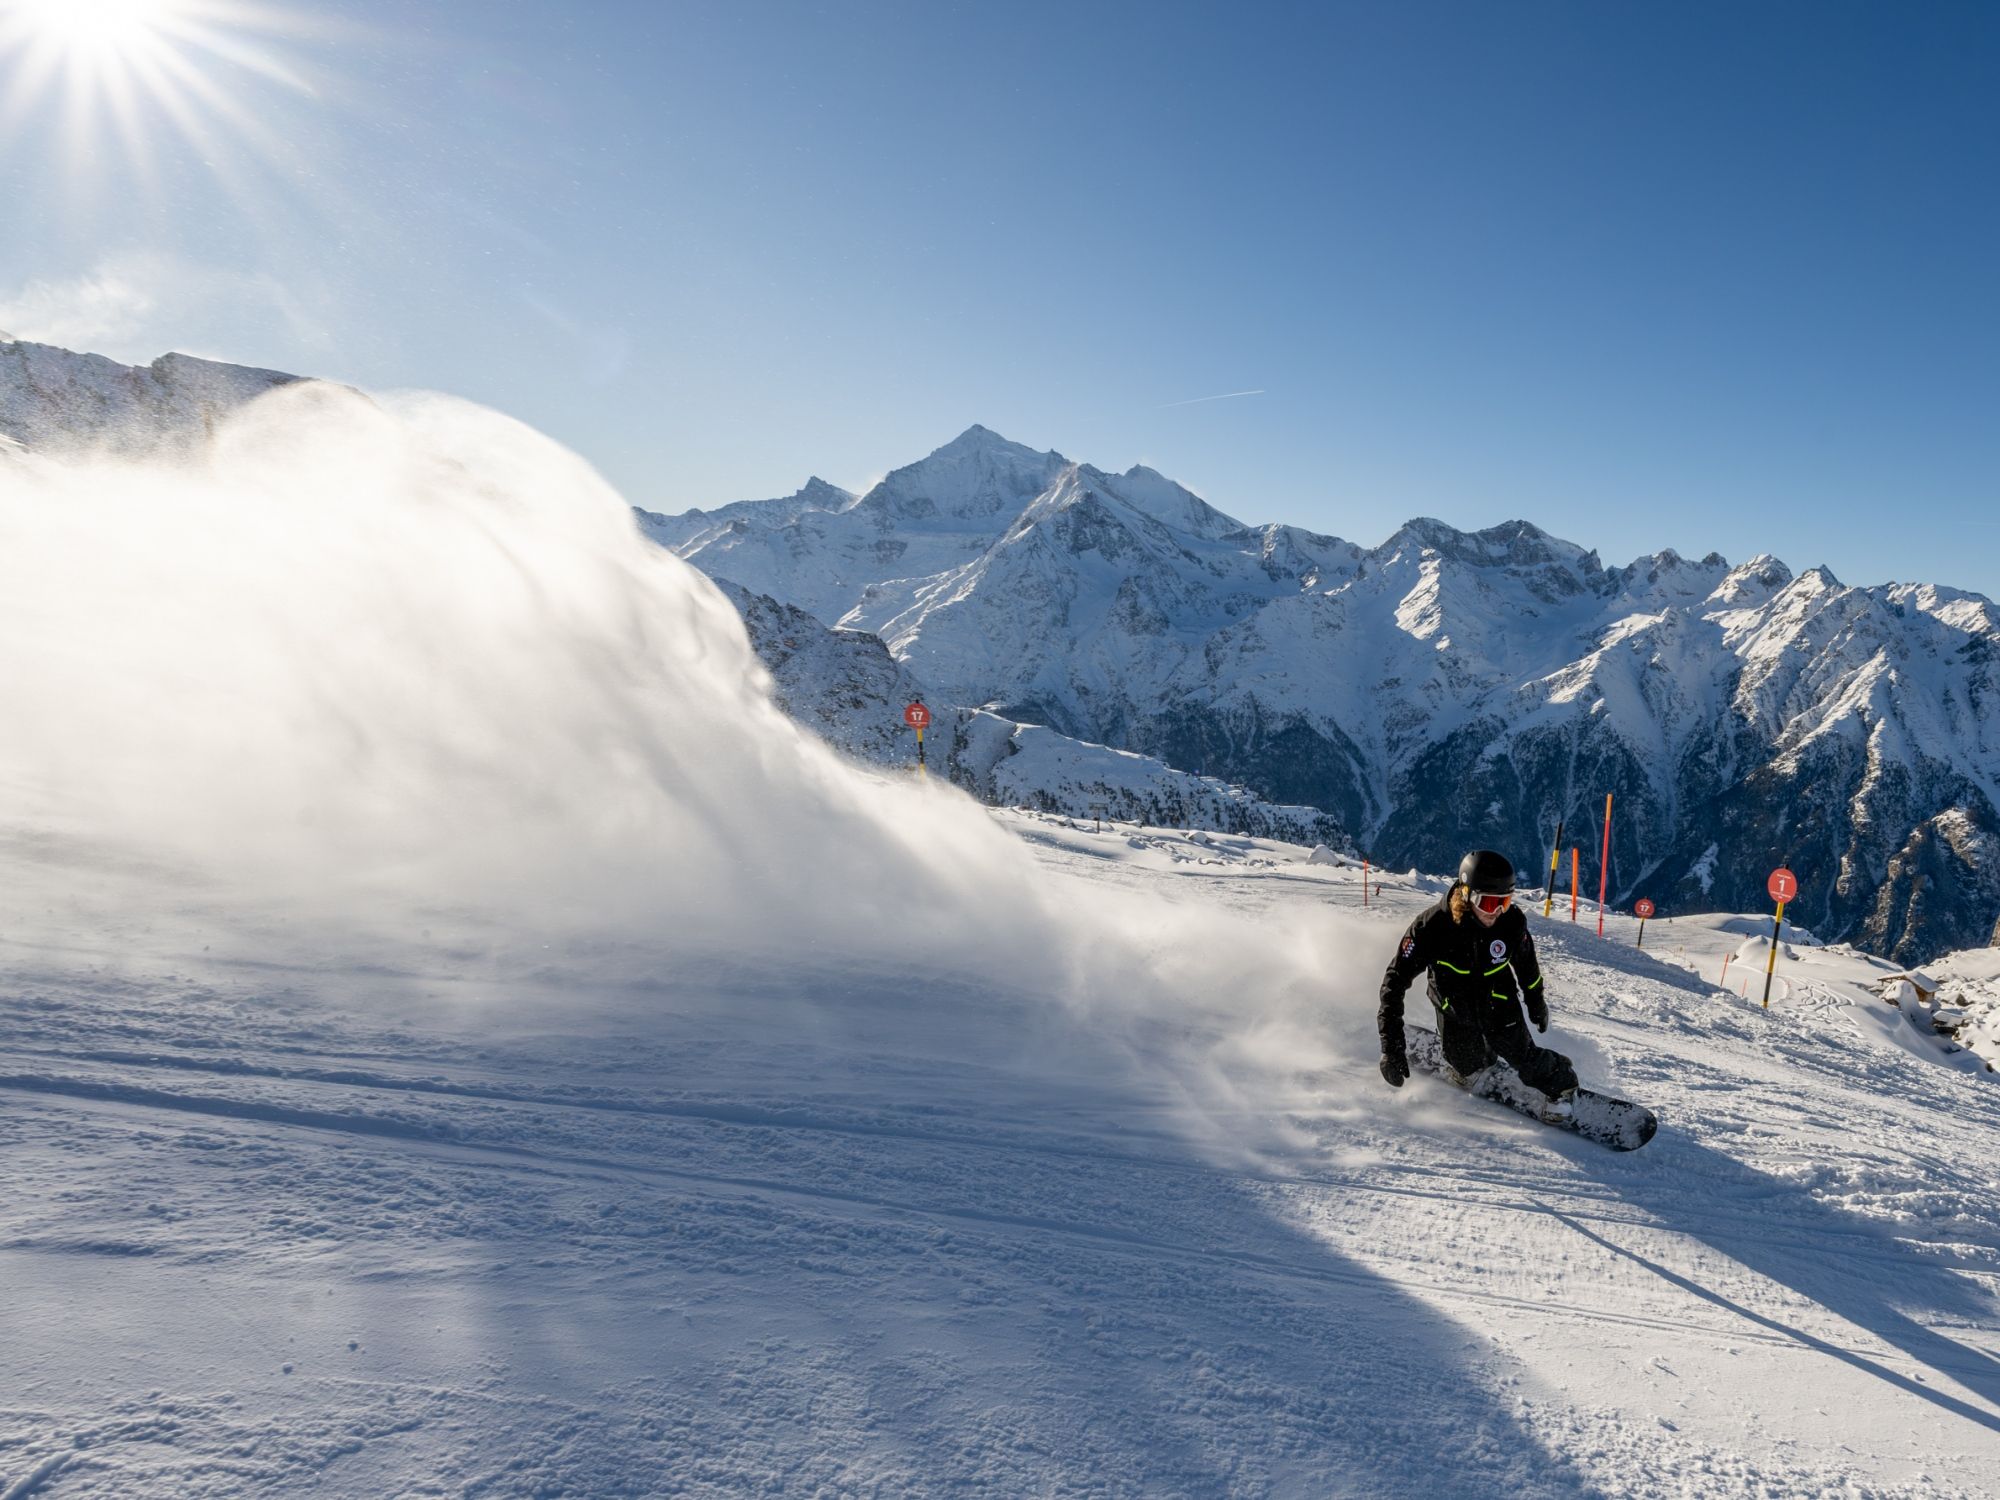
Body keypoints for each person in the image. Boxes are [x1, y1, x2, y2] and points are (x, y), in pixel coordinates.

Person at [1377, 849, 1579, 1099]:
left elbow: (1527, 965)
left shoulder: (1511, 922)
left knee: (1524, 1058)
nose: (1496, 912)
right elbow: (1394, 983)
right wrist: (1391, 1048)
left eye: (1504, 902)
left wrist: (1536, 1002)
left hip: (1499, 1002)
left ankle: (1564, 1081)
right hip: (1454, 1006)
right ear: (1466, 894)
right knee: (1465, 1066)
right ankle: (1476, 1056)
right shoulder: (1431, 927)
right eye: (1489, 903)